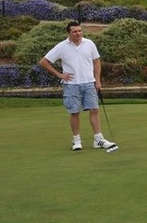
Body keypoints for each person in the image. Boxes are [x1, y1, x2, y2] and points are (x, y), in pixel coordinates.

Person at [39, 21, 116, 151]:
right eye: (75, 31)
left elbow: (96, 62)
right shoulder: (61, 47)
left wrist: (97, 80)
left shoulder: (89, 44)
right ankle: (76, 141)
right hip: (71, 84)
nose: (78, 33)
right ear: (69, 33)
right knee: (74, 112)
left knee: (94, 110)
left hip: (88, 82)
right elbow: (44, 62)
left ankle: (98, 140)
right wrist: (59, 75)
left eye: (80, 31)